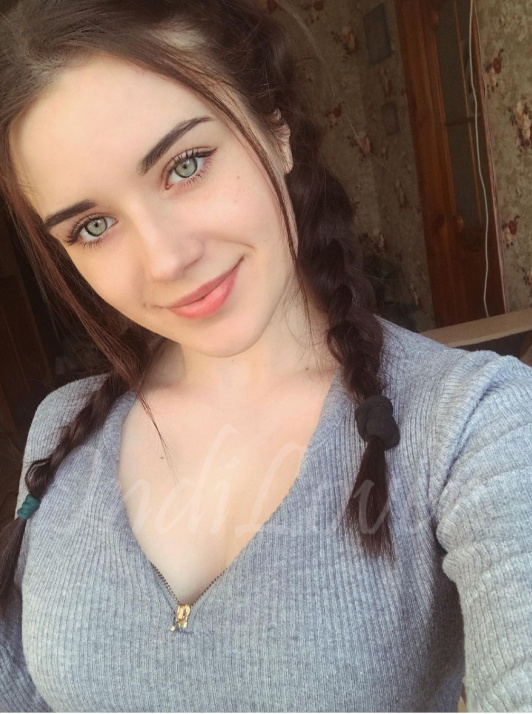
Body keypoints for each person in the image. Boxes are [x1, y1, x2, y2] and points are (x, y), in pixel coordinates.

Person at [0, 0, 530, 711]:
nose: (165, 260)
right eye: (93, 226)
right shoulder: (62, 431)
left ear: (276, 129)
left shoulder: (471, 425)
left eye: (186, 164)